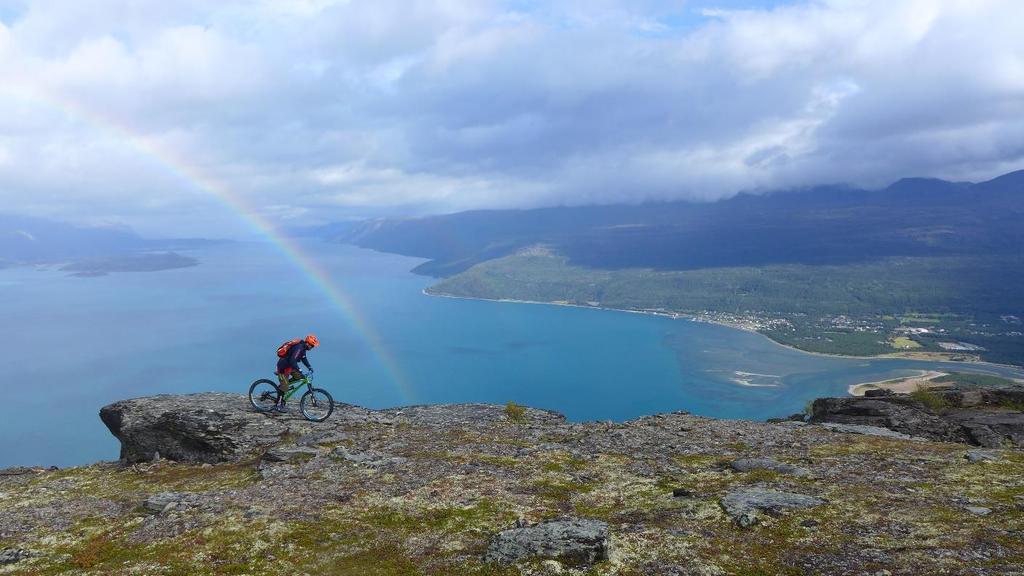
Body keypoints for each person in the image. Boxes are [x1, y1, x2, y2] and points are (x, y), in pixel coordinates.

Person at [274, 334, 319, 412]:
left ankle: (285, 385)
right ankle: (279, 405)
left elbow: (304, 358)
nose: (312, 347)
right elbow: (292, 360)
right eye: (312, 346)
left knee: (300, 377)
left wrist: (309, 367)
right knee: (285, 387)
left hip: (290, 367)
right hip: (283, 367)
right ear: (308, 344)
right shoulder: (299, 348)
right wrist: (299, 369)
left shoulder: (303, 348)